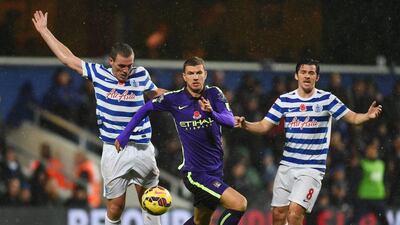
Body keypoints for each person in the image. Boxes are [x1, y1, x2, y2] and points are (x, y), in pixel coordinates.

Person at [32, 10, 165, 225]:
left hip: (142, 146)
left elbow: (155, 93)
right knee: (116, 206)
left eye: (129, 65)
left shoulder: (140, 74)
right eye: (121, 66)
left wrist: (185, 97)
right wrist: (45, 31)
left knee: (151, 200)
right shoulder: (98, 74)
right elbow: (68, 58)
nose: (126, 70)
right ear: (111, 61)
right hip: (114, 148)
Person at [235, 58, 382, 225]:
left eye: (311, 73)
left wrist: (367, 116)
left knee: (295, 213)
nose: (307, 76)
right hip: (287, 166)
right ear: (296, 75)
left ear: (317, 77)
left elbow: (353, 117)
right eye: (303, 72)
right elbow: (263, 126)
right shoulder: (285, 100)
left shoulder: (327, 100)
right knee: (278, 215)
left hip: (311, 169)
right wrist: (245, 125)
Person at [115, 57, 247, 225]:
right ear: (184, 77)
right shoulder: (174, 99)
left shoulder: (214, 94)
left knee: (201, 221)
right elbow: (145, 108)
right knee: (239, 204)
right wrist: (124, 135)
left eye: (199, 73)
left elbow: (229, 122)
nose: (195, 77)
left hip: (216, 172)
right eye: (191, 73)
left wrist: (211, 112)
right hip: (195, 174)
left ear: (205, 74)